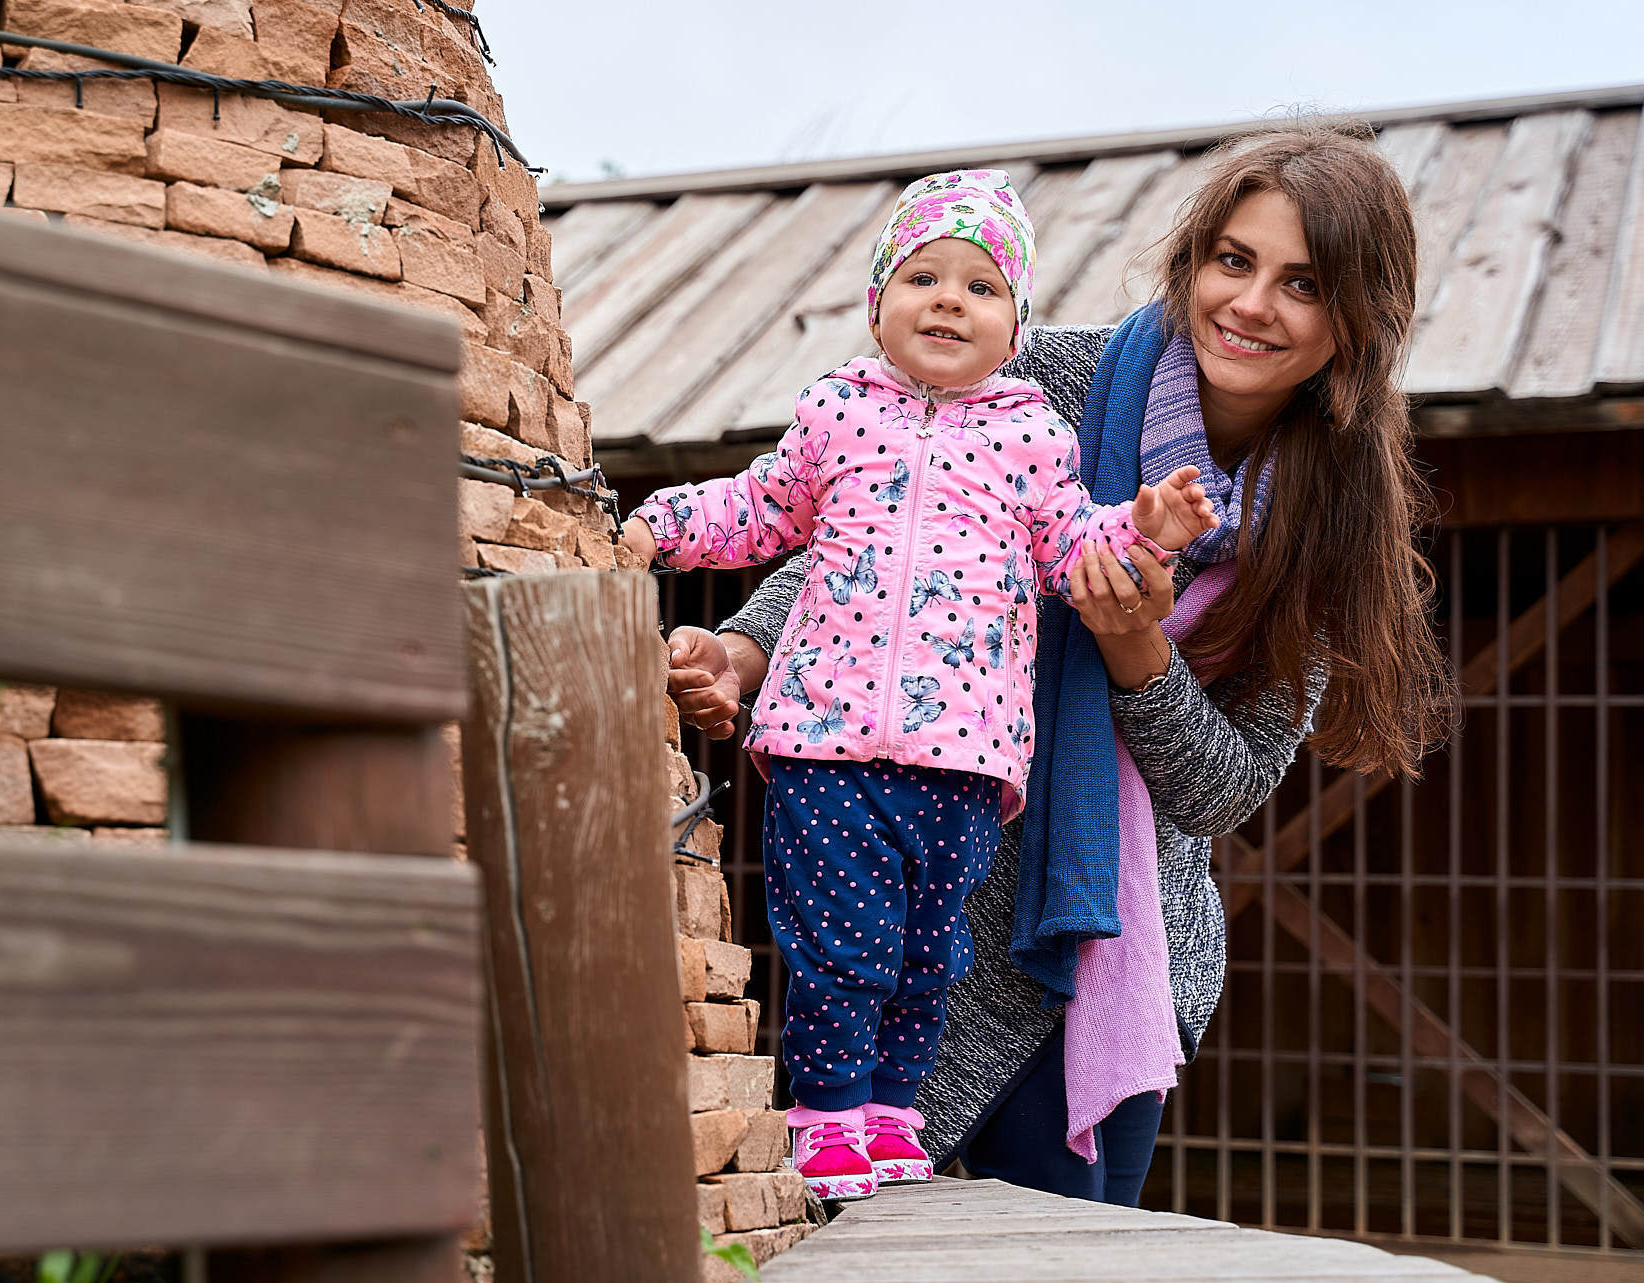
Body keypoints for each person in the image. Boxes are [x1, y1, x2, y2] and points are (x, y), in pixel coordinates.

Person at [662, 124, 1456, 1206]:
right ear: (1192, 263)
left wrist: (1136, 650)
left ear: (1356, 322)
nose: (1251, 304)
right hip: (929, 901)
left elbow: (1220, 788)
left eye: (1302, 282)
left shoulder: (1325, 525)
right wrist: (747, 649)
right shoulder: (1041, 380)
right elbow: (865, 524)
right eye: (1233, 260)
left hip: (1117, 959)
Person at [616, 170, 1221, 1201]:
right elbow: (759, 512)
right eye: (924, 277)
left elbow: (1072, 541)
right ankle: (828, 1118)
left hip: (965, 757)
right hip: (824, 742)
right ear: (877, 305)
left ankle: (892, 1112)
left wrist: (1142, 527)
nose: (949, 299)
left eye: (982, 288)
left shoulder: (1034, 439)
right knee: (840, 945)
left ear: (1015, 326)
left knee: (930, 951)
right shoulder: (835, 414)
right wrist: (657, 527)